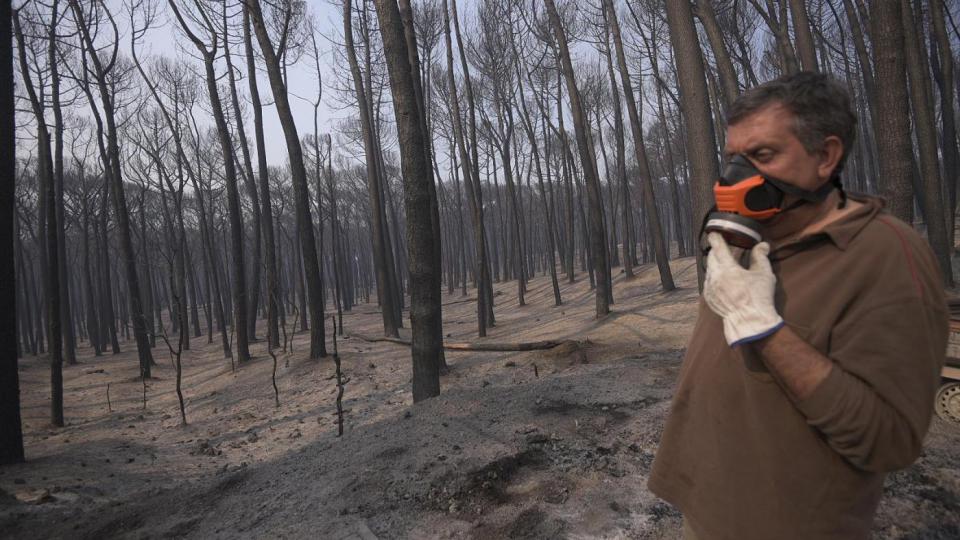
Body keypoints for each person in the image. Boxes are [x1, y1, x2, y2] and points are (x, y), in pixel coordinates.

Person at [648, 71, 949, 540]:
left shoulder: (884, 255)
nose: (737, 177)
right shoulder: (748, 237)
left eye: (763, 155)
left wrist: (763, 327)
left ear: (826, 156)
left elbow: (889, 439)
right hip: (703, 507)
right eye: (734, 159)